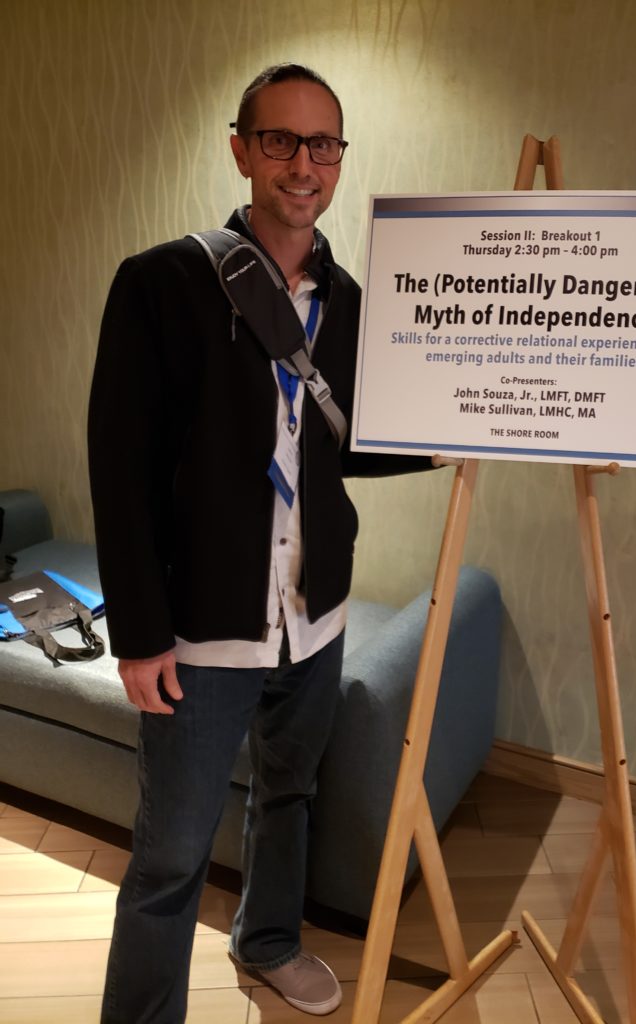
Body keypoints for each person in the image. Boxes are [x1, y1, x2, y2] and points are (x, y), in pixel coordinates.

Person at [88, 63, 433, 1023]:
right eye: (279, 140)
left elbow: (344, 443)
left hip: (315, 616)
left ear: (339, 160)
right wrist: (139, 635)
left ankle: (268, 940)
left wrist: (458, 437)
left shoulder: (350, 300)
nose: (302, 163)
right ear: (241, 150)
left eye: (322, 144)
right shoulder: (161, 283)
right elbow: (119, 468)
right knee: (170, 854)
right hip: (201, 631)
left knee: (288, 797)